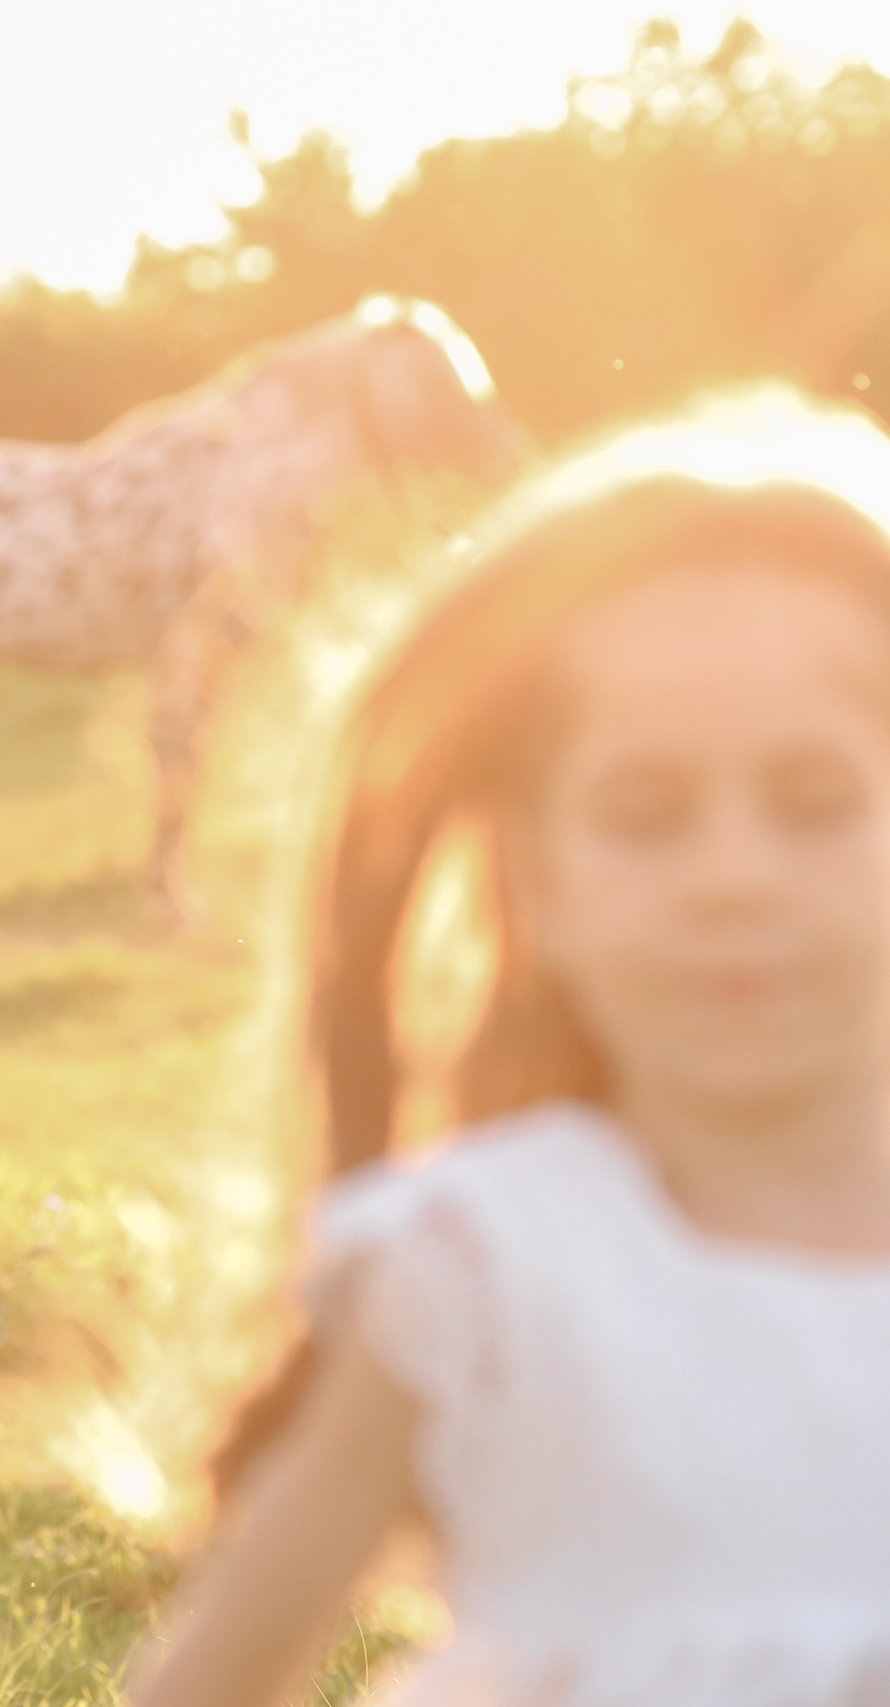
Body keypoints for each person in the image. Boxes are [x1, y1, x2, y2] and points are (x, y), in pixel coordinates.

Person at [128, 388, 890, 1707]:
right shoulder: (481, 1265)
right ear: (540, 884)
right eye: (647, 815)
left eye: (814, 803)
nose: (736, 876)